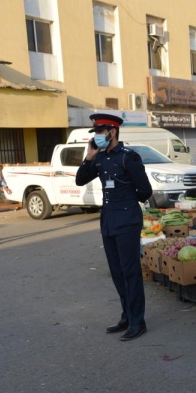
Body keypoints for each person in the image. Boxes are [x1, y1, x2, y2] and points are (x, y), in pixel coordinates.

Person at [75, 113, 153, 341]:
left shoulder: (129, 157)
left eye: (99, 132)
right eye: (95, 132)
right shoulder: (99, 158)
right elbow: (80, 180)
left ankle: (138, 321)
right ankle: (127, 315)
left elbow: (145, 191)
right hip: (109, 220)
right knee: (117, 272)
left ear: (112, 131)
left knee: (130, 272)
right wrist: (89, 157)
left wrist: (128, 201)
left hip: (127, 221)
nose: (96, 136)